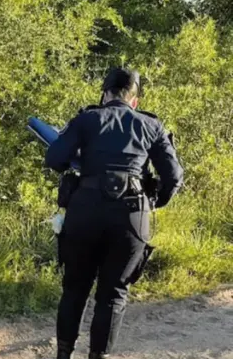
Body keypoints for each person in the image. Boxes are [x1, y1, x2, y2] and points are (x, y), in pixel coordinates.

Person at [45, 67, 184, 359]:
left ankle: (63, 354)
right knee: (114, 293)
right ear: (135, 101)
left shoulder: (87, 119)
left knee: (75, 288)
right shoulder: (151, 126)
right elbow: (174, 177)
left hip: (85, 211)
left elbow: (55, 158)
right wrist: (155, 202)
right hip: (131, 214)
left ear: (105, 94)